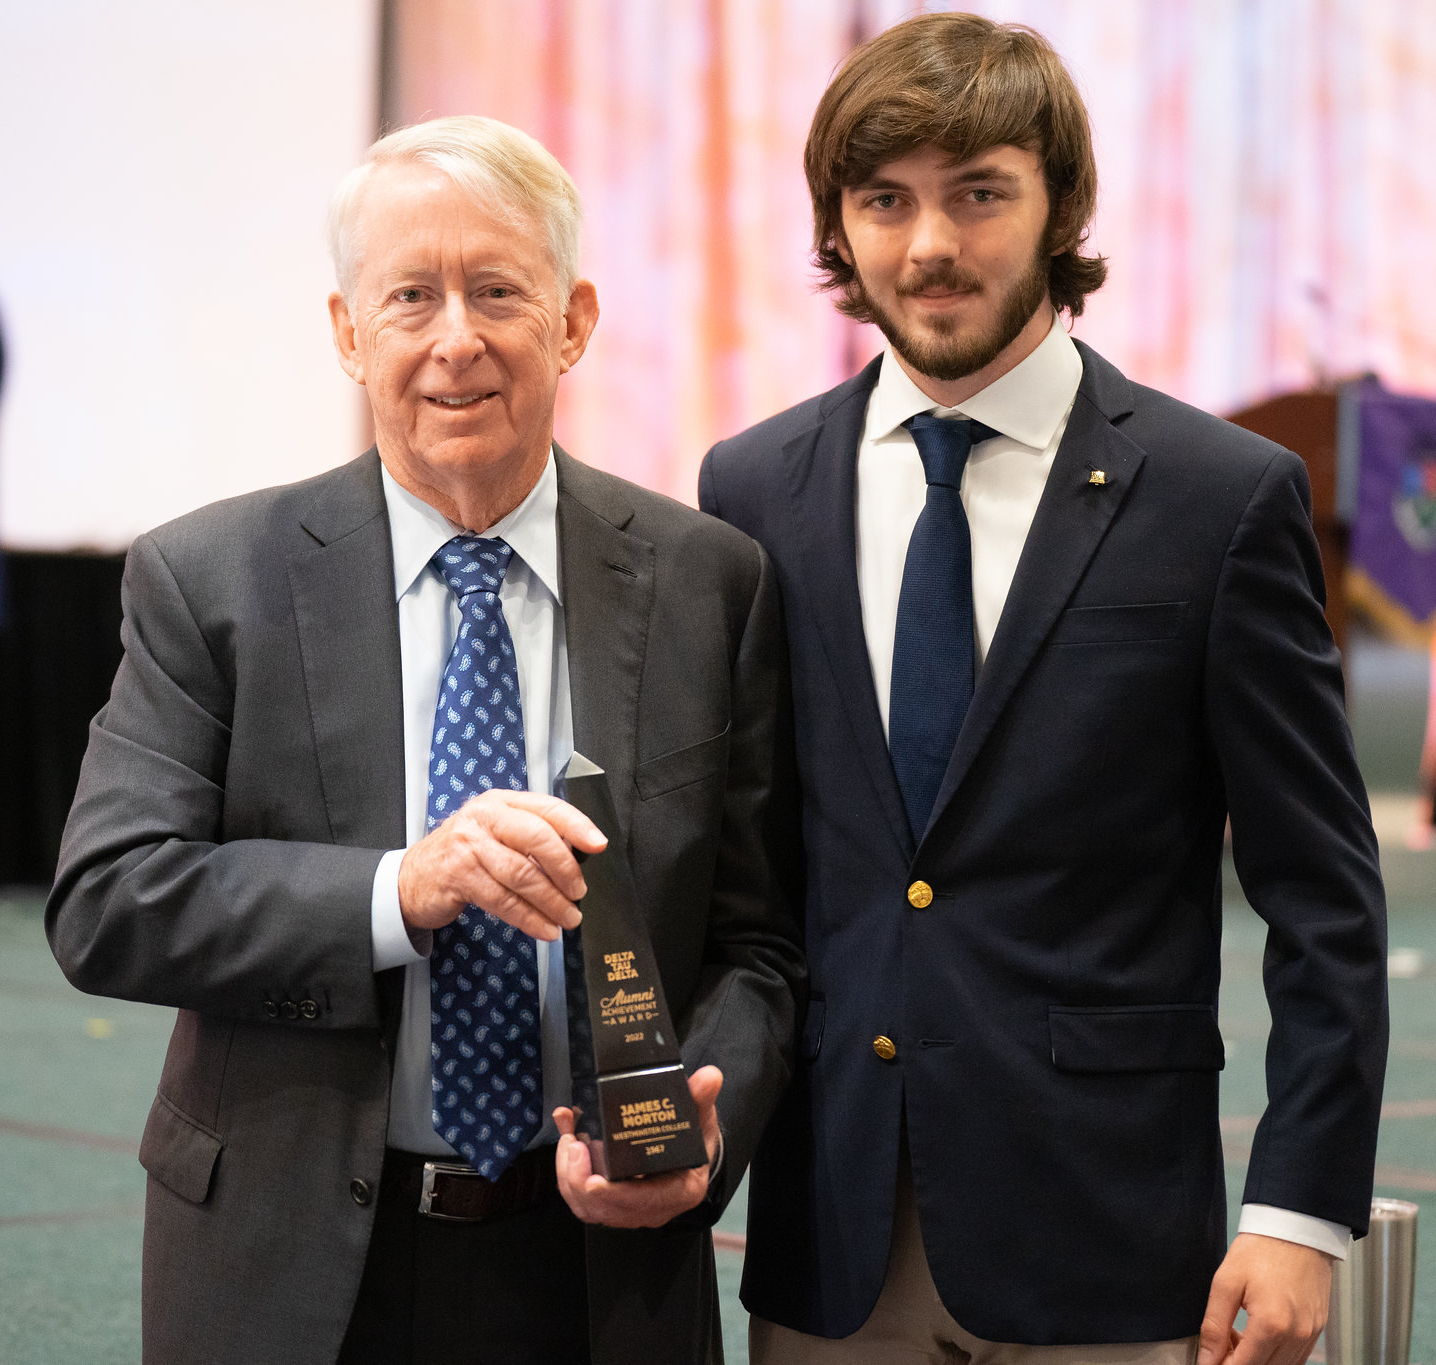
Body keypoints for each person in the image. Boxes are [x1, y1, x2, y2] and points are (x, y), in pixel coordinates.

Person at [47, 115, 802, 1365]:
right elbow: (108, 899)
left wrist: (693, 1127)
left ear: (571, 320)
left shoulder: (707, 583)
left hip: (599, 1267)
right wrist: (405, 889)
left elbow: (759, 942)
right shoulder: (211, 580)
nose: (456, 337)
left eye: (498, 289)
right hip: (284, 1261)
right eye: (411, 295)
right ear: (351, 333)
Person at [700, 14, 1387, 1365]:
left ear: (1060, 204)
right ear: (838, 226)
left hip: (1109, 1230)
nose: (929, 247)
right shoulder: (753, 490)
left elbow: (1324, 898)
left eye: (979, 194)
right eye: (883, 202)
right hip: (834, 1235)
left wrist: (1304, 1208)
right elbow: (749, 875)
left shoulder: (1219, 500)